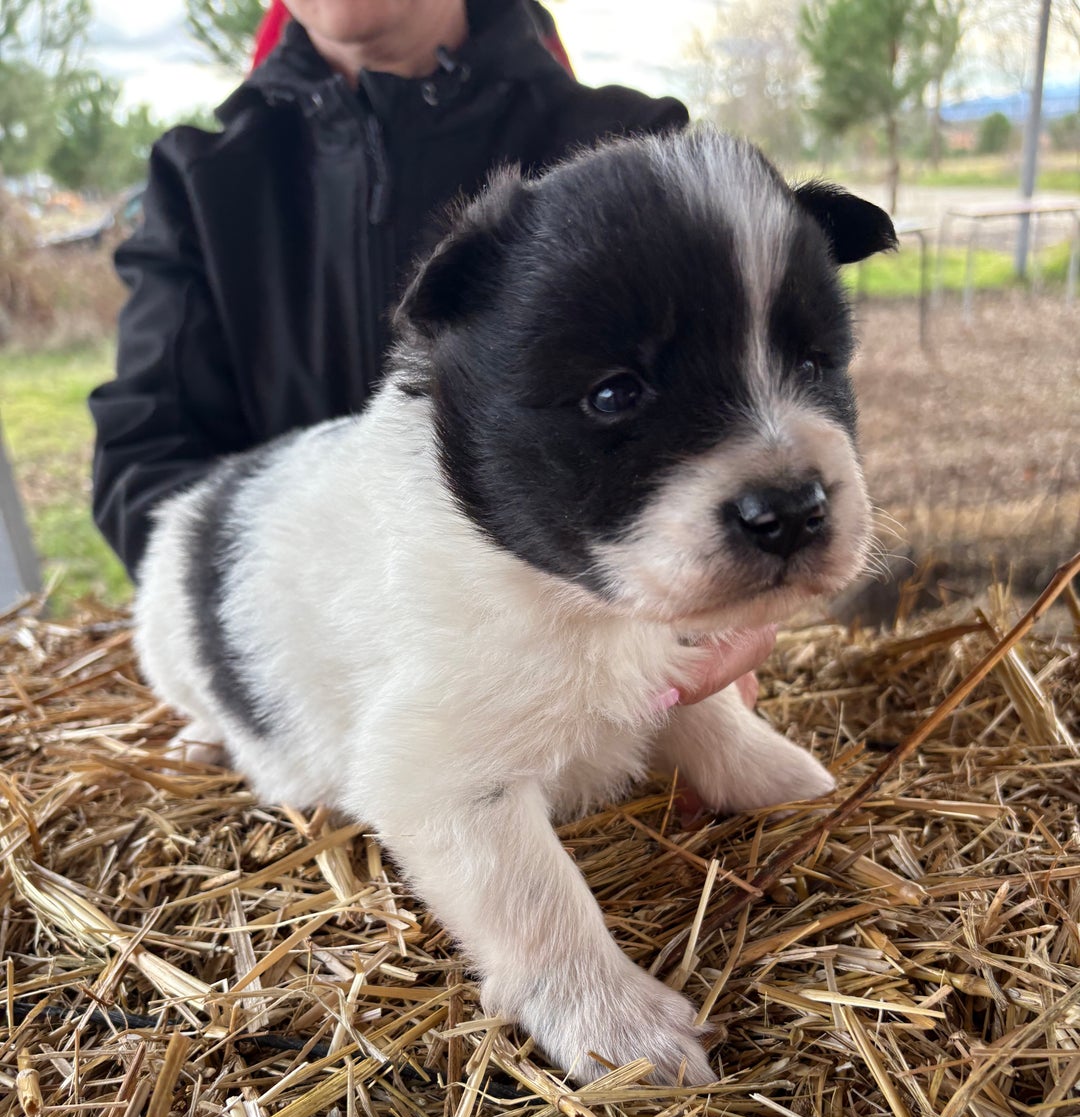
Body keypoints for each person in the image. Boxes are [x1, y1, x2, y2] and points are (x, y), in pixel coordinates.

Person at [90, 0, 771, 704]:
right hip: (314, 677)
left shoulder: (632, 146)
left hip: (614, 657)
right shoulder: (199, 179)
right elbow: (146, 465)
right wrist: (277, 658)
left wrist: (735, 590)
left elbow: (765, 406)